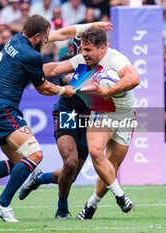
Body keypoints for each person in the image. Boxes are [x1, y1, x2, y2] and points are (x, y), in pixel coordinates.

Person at [0, 15, 113, 222]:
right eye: (46, 37)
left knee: (19, 162)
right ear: (37, 36)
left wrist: (92, 25)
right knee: (36, 155)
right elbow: (44, 88)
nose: (48, 41)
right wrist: (63, 90)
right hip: (5, 110)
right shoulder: (31, 55)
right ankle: (3, 203)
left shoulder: (16, 40)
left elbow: (62, 33)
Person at [26, 27, 140, 219]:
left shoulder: (115, 59)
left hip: (124, 115)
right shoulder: (76, 60)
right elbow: (54, 69)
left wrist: (109, 92)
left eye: (88, 50)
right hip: (78, 112)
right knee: (83, 157)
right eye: (81, 49)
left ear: (102, 49)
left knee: (109, 167)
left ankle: (90, 206)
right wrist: (22, 67)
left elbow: (134, 78)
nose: (83, 54)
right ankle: (117, 196)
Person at [19, 37, 90, 220]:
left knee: (70, 176)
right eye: (85, 48)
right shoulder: (68, 64)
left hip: (87, 119)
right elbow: (71, 82)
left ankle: (40, 178)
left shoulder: (104, 64)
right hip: (67, 114)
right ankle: (62, 209)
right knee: (70, 163)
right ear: (77, 49)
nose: (88, 52)